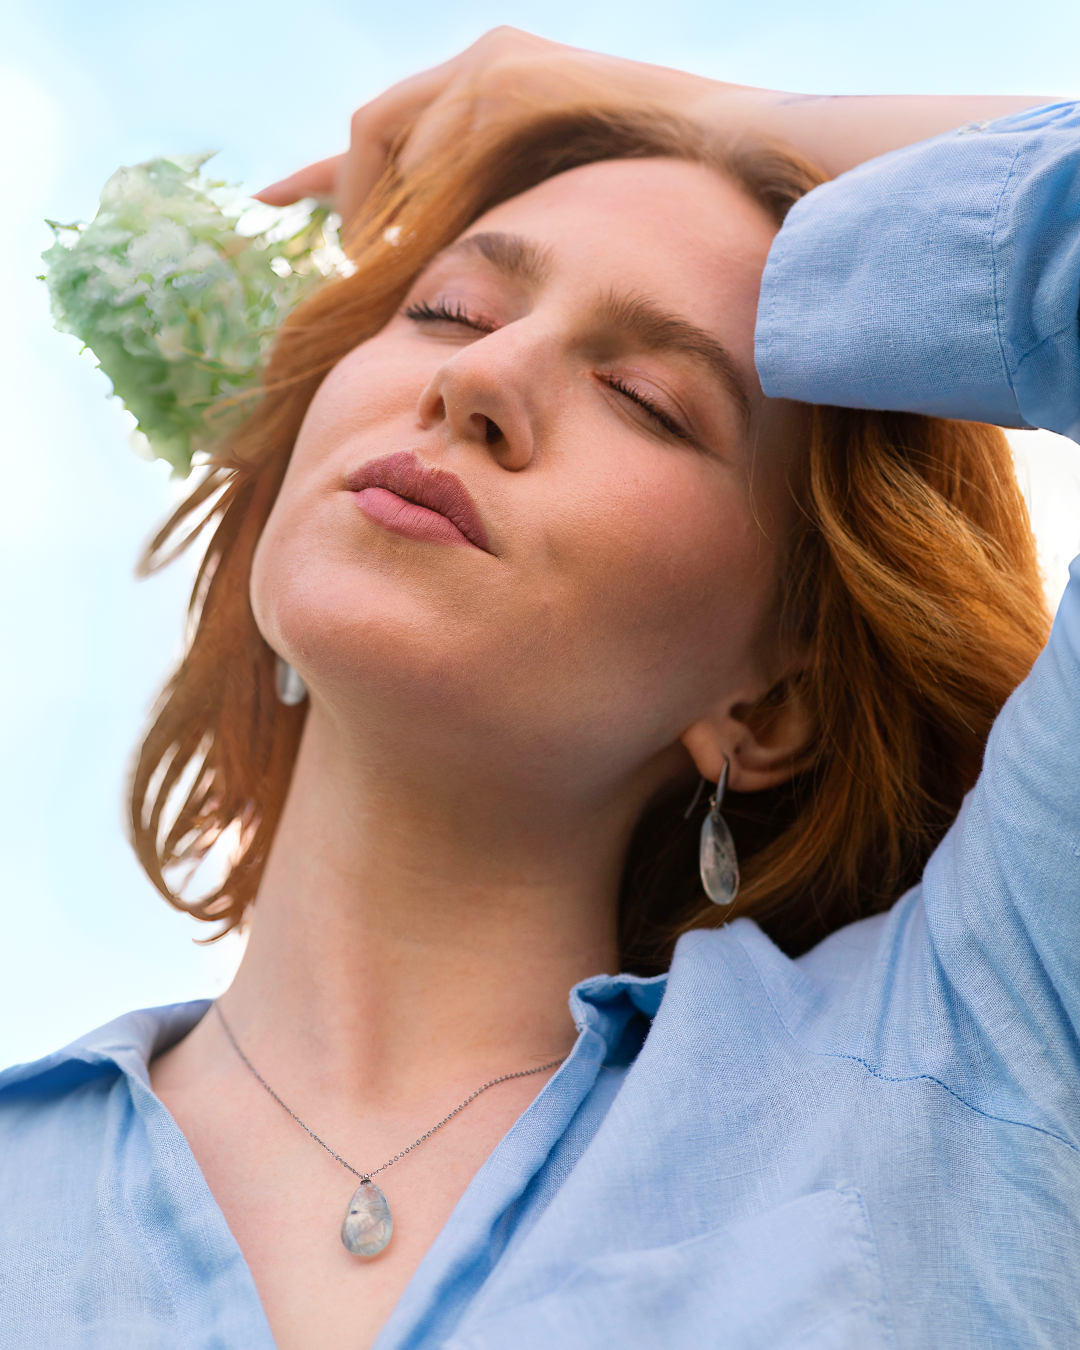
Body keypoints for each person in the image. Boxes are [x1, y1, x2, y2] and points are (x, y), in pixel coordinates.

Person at [2, 29, 1078, 1350]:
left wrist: (701, 110)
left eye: (648, 398)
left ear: (770, 702)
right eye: (447, 309)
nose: (477, 380)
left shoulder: (973, 1065)